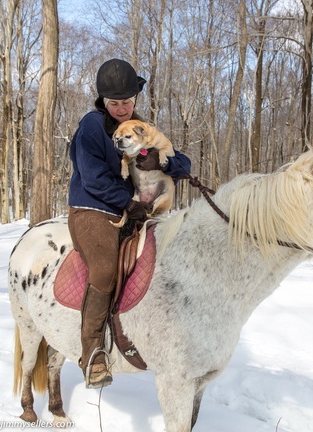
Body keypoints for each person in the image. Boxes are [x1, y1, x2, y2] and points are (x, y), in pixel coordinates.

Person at [68, 58, 191, 388]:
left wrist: (160, 159)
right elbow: (92, 179)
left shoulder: (140, 127)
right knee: (106, 267)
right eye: (115, 103)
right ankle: (92, 353)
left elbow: (181, 163)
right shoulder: (90, 127)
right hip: (92, 209)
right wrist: (128, 203)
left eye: (127, 102)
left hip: (134, 210)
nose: (122, 108)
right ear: (104, 102)